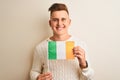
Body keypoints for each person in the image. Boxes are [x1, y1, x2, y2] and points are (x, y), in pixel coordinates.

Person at [30, 3, 94, 80]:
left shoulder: (81, 45)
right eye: (55, 20)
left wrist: (84, 64)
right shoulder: (40, 48)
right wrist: (37, 78)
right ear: (50, 23)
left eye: (63, 19)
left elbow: (89, 78)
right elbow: (34, 71)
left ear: (69, 22)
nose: (59, 23)